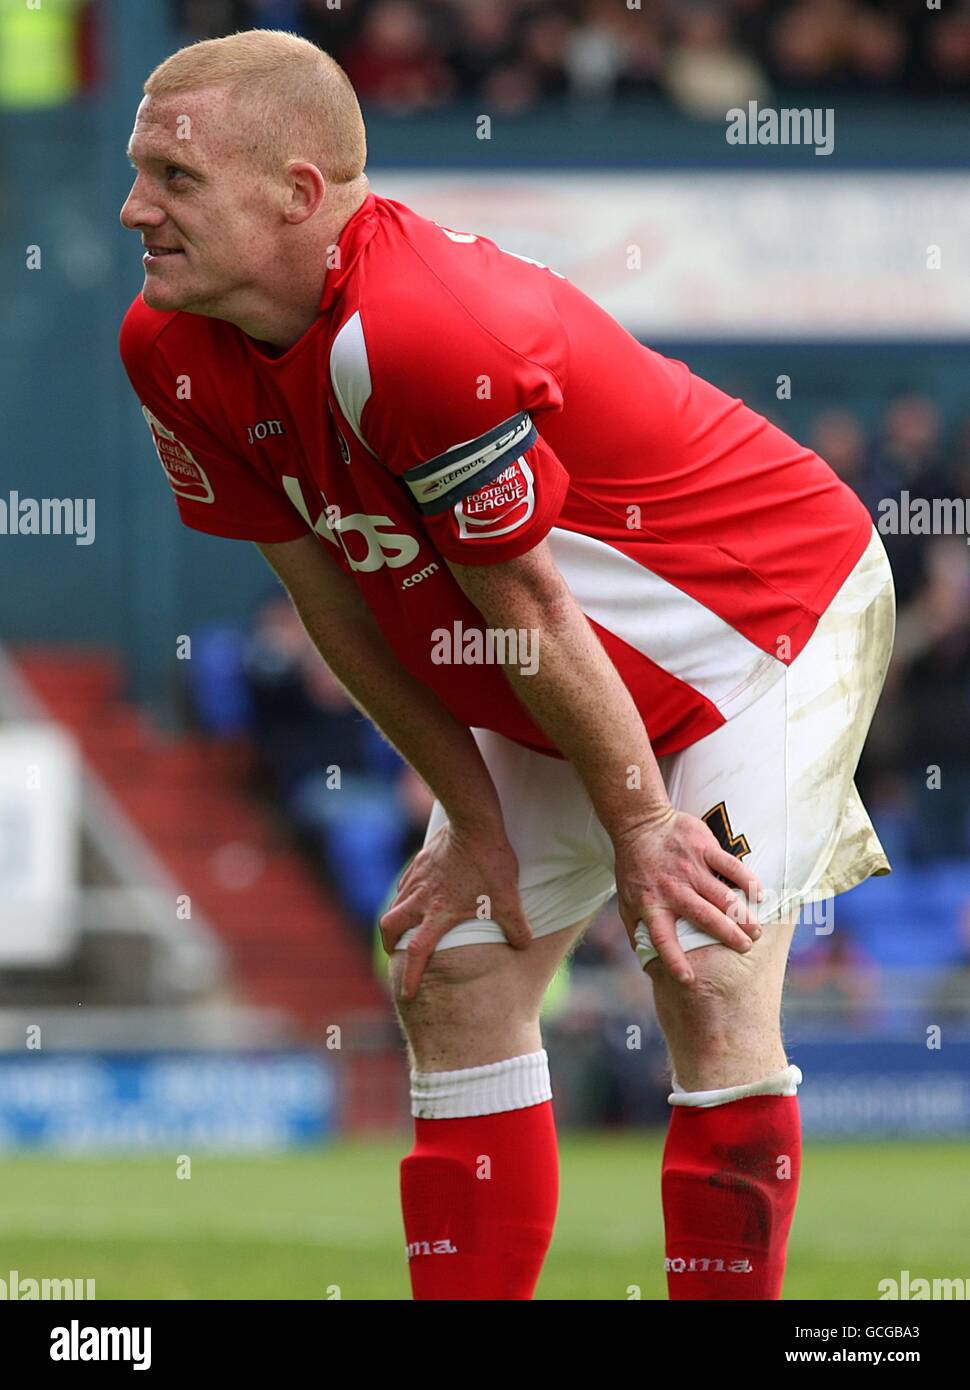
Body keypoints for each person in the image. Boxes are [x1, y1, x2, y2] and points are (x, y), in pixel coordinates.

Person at [118, 28, 895, 1301]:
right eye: (141, 169)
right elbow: (337, 606)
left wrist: (643, 819)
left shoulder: (414, 331)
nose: (135, 205)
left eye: (173, 177)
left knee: (699, 969)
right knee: (455, 965)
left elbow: (526, 603)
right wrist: (469, 820)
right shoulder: (167, 346)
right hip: (566, 673)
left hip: (766, 627)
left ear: (298, 196)